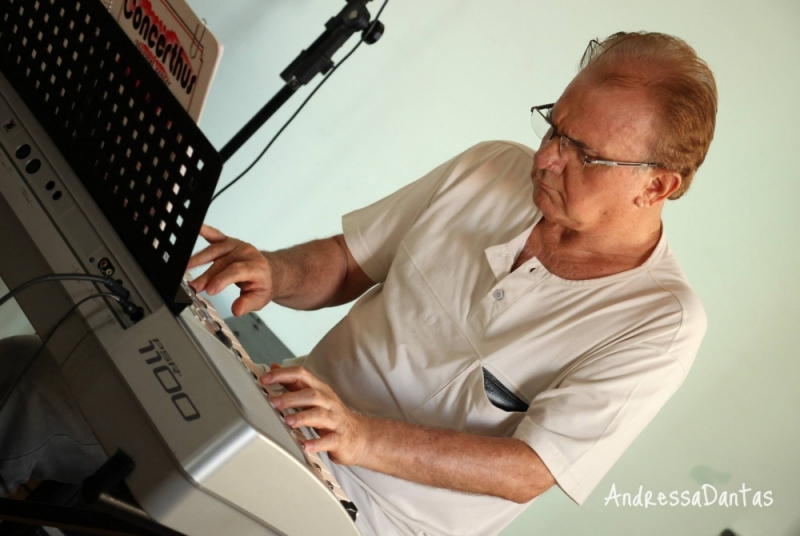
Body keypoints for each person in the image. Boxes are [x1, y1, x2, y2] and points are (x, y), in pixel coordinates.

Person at [186, 31, 717, 536]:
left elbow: (529, 470)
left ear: (657, 185)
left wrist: (359, 435)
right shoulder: (489, 166)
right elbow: (350, 262)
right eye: (553, 128)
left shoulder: (662, 321)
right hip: (277, 418)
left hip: (377, 521)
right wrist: (275, 272)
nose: (545, 158)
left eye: (583, 153)